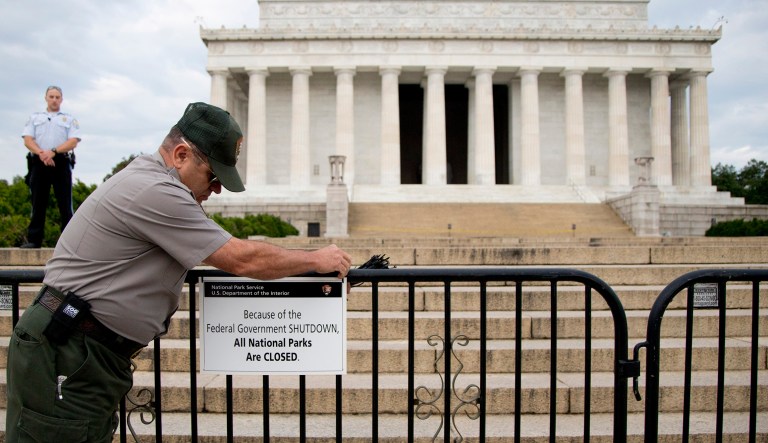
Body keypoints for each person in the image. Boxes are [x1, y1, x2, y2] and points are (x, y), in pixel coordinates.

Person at [5, 102, 352, 442]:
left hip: (81, 348)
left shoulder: (153, 181)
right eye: (213, 175)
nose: (216, 189)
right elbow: (241, 259)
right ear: (182, 155)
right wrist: (315, 259)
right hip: (69, 348)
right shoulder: (156, 190)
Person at [20, 85, 81, 248]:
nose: (54, 100)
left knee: (65, 203)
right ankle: (34, 239)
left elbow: (73, 140)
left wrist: (53, 152)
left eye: (57, 97)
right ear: (46, 98)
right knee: (38, 202)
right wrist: (42, 154)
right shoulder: (35, 117)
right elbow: (27, 139)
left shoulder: (68, 119)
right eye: (51, 97)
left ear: (61, 99)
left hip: (60, 162)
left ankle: (68, 243)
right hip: (39, 162)